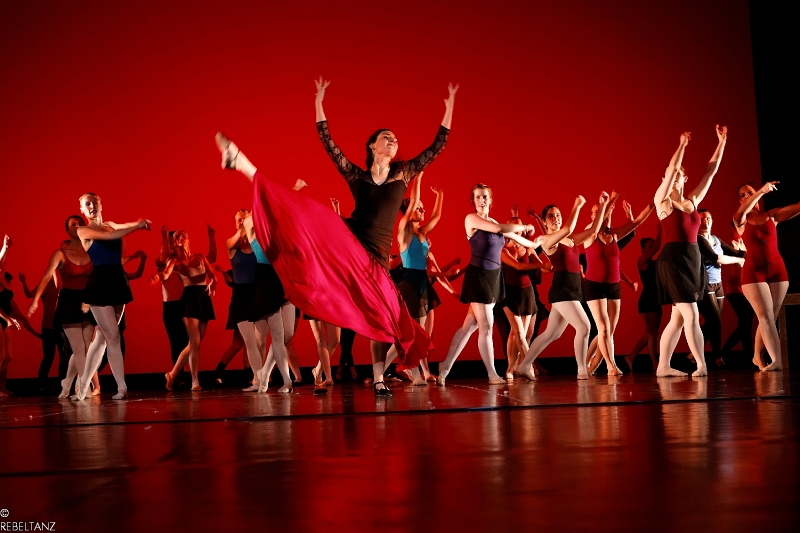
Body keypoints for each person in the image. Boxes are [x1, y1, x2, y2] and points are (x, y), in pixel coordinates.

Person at [214, 78, 456, 396]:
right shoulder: (357, 175)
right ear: (373, 147)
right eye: (386, 137)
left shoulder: (404, 172)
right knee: (303, 213)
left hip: (376, 259)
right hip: (350, 244)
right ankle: (242, 163)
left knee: (385, 318)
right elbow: (329, 144)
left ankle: (379, 376)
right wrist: (319, 101)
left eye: (396, 139)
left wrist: (449, 106)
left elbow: (436, 147)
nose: (393, 141)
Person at [437, 184, 542, 385]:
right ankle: (492, 374)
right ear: (473, 200)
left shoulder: (493, 221)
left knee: (469, 326)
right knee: (486, 326)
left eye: (485, 197)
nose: (481, 200)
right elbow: (501, 229)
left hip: (494, 279)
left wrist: (535, 243)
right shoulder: (471, 219)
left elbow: (514, 237)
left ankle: (445, 367)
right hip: (479, 277)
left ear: (490, 200)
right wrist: (523, 226)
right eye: (478, 197)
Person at [653, 126, 727, 378]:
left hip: (693, 261)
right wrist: (682, 145)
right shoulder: (662, 202)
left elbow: (711, 171)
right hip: (673, 262)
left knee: (677, 319)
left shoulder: (692, 201)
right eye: (670, 175)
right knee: (692, 313)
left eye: (678, 175)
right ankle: (701, 365)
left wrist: (722, 142)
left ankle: (663, 366)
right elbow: (674, 167)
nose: (673, 177)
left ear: (685, 179)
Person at [515, 192, 611, 381]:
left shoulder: (571, 239)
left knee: (551, 334)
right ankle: (582, 371)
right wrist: (577, 206)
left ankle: (524, 365)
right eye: (551, 216)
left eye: (558, 215)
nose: (556, 218)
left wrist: (602, 206)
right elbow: (567, 228)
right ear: (544, 221)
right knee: (584, 327)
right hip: (562, 291)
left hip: (573, 291)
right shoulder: (547, 240)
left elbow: (593, 230)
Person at [72, 192, 151, 400]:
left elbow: (121, 227)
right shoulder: (83, 230)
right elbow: (110, 237)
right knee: (113, 336)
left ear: (101, 204)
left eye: (94, 202)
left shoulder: (111, 224)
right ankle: (122, 387)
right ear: (82, 210)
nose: (91, 206)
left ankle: (82, 384)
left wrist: (137, 223)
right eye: (87, 204)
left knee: (102, 338)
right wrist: (137, 226)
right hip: (100, 283)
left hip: (117, 281)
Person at [582, 198, 654, 375]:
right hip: (594, 287)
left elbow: (636, 223)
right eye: (595, 212)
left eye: (602, 211)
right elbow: (600, 222)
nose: (600, 214)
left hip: (613, 287)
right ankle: (611, 366)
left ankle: (588, 363)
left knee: (607, 332)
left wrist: (654, 203)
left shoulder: (614, 235)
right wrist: (610, 202)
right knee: (604, 328)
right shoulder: (589, 233)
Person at [733, 181, 800, 371]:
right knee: (765, 317)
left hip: (778, 271)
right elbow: (741, 212)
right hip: (754, 273)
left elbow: (796, 208)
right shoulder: (740, 219)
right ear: (740, 201)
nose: (747, 196)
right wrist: (761, 191)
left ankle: (757, 356)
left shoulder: (772, 215)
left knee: (770, 317)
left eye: (750, 192)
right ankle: (777, 360)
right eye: (743, 195)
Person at [28, 216, 95, 398]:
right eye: (73, 224)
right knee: (78, 349)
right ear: (67, 230)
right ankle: (85, 389)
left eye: (80, 223)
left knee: (85, 349)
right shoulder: (60, 254)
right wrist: (35, 300)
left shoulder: (92, 250)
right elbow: (46, 276)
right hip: (68, 302)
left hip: (88, 301)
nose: (77, 226)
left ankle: (67, 383)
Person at [162, 230, 217, 390]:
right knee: (195, 343)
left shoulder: (200, 257)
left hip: (203, 298)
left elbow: (213, 276)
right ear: (175, 242)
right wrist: (159, 276)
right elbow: (166, 274)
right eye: (177, 237)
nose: (181, 238)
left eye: (183, 236)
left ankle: (172, 374)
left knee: (195, 344)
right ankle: (194, 381)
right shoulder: (175, 260)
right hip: (189, 299)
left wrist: (213, 283)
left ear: (188, 239)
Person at [696, 209, 745, 367]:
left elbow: (736, 253)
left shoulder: (716, 239)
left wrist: (743, 251)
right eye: (702, 219)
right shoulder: (698, 239)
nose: (706, 221)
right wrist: (737, 260)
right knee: (715, 321)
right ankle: (717, 358)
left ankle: (693, 352)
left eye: (708, 218)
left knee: (713, 322)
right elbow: (716, 258)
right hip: (705, 284)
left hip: (718, 284)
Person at [625, 228, 663, 371]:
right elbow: (658, 247)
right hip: (648, 300)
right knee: (652, 334)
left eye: (652, 246)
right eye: (649, 246)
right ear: (643, 249)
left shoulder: (655, 262)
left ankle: (630, 357)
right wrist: (659, 232)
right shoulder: (641, 261)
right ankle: (655, 363)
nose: (652, 249)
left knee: (650, 334)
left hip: (656, 299)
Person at [19, 268, 64, 388]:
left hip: (58, 326)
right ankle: (44, 384)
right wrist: (23, 282)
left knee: (60, 356)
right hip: (50, 326)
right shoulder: (47, 284)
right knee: (52, 356)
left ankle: (58, 384)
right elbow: (30, 295)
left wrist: (23, 282)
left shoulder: (62, 284)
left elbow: (29, 294)